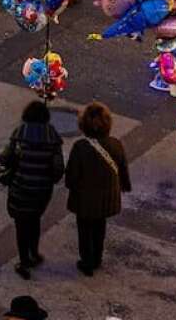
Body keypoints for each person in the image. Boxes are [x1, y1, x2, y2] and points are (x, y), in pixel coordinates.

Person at [0, 100, 65, 279]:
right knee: (35, 220)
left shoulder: (20, 133)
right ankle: (34, 252)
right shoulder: (52, 137)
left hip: (20, 188)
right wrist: (49, 178)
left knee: (21, 225)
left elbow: (5, 158)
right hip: (42, 190)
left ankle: (24, 260)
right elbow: (58, 168)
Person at [65, 101, 131, 276]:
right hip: (106, 197)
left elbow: (72, 175)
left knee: (84, 230)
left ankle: (86, 262)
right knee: (99, 227)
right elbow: (123, 168)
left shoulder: (80, 147)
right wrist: (125, 185)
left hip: (84, 199)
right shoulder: (116, 144)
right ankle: (97, 258)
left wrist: (70, 185)